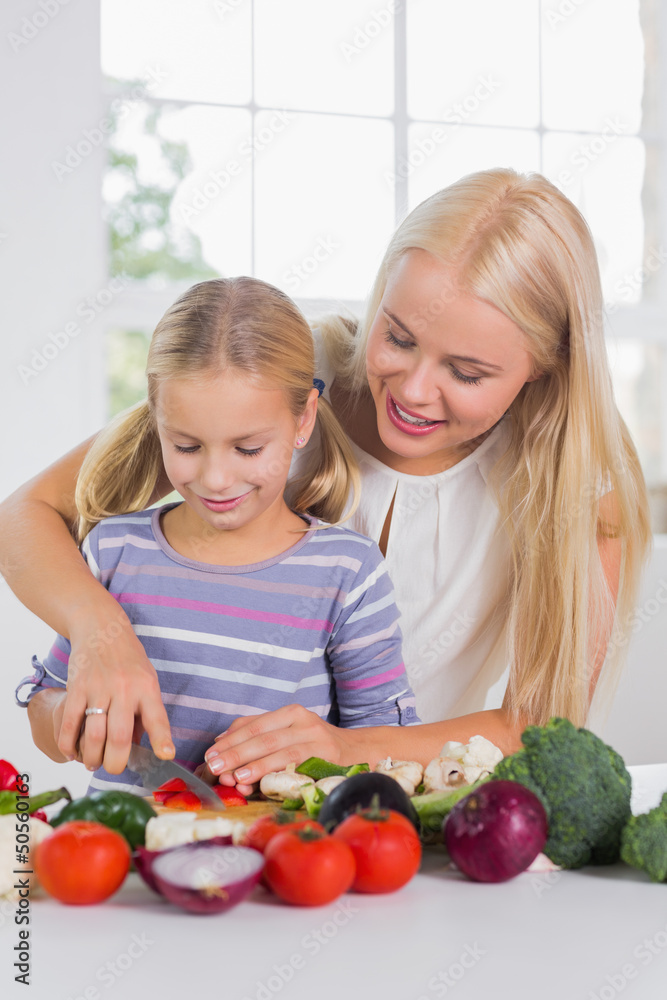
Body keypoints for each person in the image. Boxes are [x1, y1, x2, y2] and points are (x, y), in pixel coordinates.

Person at [2, 168, 650, 794]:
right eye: (396, 336)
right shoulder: (284, 380)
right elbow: (24, 514)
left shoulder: (577, 485)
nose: (414, 391)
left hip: (402, 823)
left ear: (543, 366)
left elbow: (538, 725)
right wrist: (100, 631)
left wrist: (349, 749)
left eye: (467, 372)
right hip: (221, 804)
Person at [15, 277, 419, 793]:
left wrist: (320, 752)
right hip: (119, 859)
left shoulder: (348, 573)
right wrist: (73, 723)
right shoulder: (112, 552)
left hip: (274, 858)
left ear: (304, 419)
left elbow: (386, 745)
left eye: (248, 449)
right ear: (157, 421)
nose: (216, 479)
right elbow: (44, 705)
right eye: (185, 446)